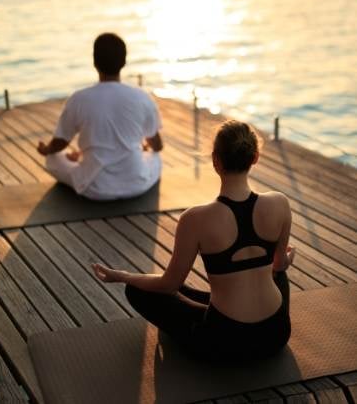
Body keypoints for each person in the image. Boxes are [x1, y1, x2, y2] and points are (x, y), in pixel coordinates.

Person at [92, 120, 295, 361]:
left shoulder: (195, 218)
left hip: (227, 342)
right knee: (278, 273)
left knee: (138, 289)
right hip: (276, 333)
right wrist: (284, 258)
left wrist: (123, 276)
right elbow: (279, 265)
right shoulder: (280, 203)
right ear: (255, 157)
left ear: (215, 161)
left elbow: (169, 285)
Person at [37, 33, 163, 200]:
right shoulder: (141, 97)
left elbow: (60, 143)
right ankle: (85, 158)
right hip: (136, 184)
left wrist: (46, 150)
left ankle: (81, 159)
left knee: (52, 159)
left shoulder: (79, 98)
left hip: (94, 188)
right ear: (124, 62)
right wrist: (142, 147)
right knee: (155, 157)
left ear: (95, 62)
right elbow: (157, 145)